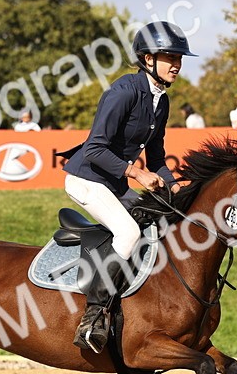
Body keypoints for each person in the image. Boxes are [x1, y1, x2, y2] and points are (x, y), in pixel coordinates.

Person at [60, 21, 195, 353]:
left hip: (113, 183)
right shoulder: (123, 92)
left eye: (179, 58)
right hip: (86, 179)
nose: (177, 64)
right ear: (147, 59)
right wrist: (136, 173)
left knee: (162, 221)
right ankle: (92, 316)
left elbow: (159, 156)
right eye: (169, 57)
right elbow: (94, 149)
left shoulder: (161, 101)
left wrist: (175, 185)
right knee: (129, 234)